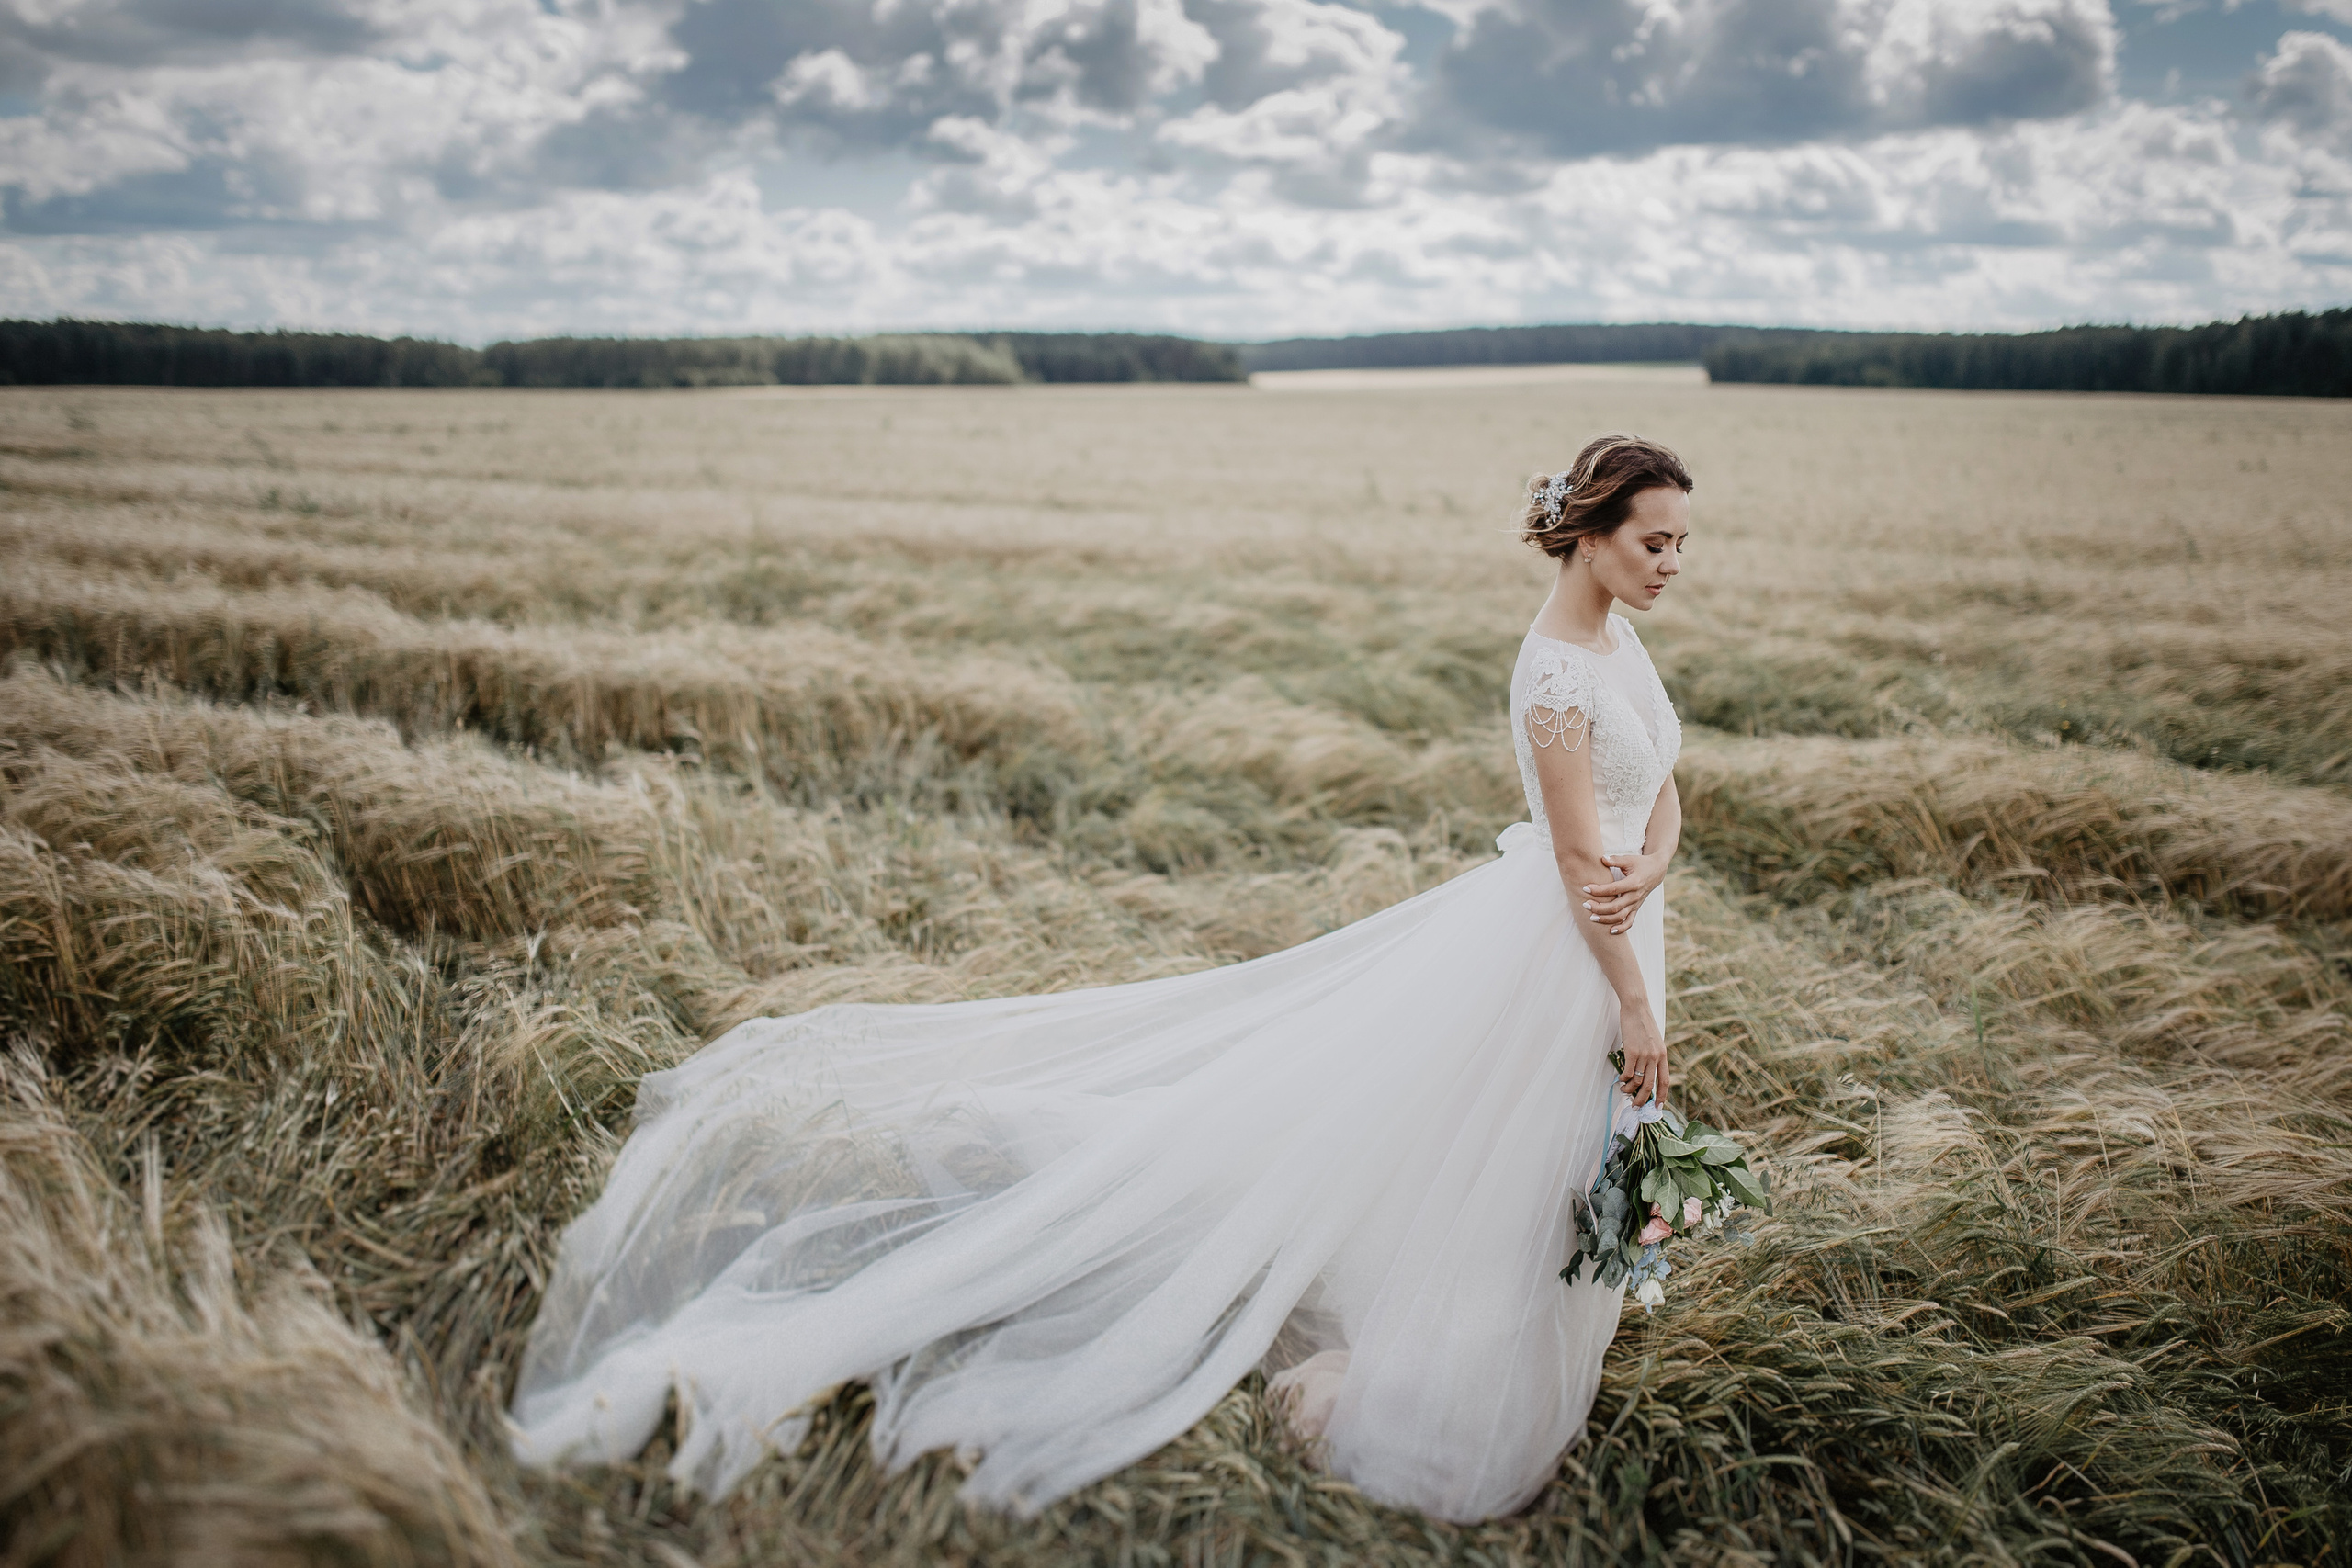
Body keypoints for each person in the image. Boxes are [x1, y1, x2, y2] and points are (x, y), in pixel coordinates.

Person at [510, 434, 1693, 1523]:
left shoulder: (1618, 641)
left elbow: (1663, 792)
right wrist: (1633, 994)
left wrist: (1655, 871)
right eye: (1654, 541)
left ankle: (1493, 1331)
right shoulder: (1553, 671)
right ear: (1588, 534)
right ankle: (1436, 1373)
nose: (1671, 564)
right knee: (1515, 1148)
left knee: (1531, 1153)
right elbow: (1584, 862)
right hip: (1570, 945)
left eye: (1681, 543)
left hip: (1608, 929)